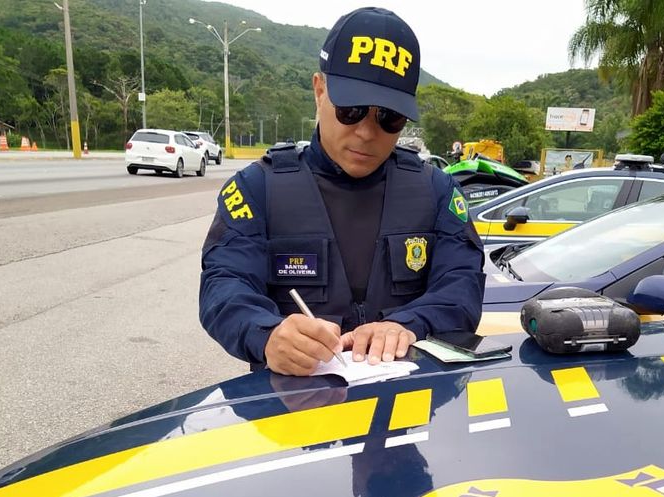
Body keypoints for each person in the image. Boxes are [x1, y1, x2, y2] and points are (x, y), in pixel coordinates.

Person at [199, 7, 486, 376]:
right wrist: (267, 333)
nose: (366, 132)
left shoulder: (436, 191)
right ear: (319, 90)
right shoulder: (258, 189)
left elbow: (461, 286)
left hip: (407, 399)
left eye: (389, 118)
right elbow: (224, 284)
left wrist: (409, 325)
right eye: (351, 110)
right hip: (297, 401)